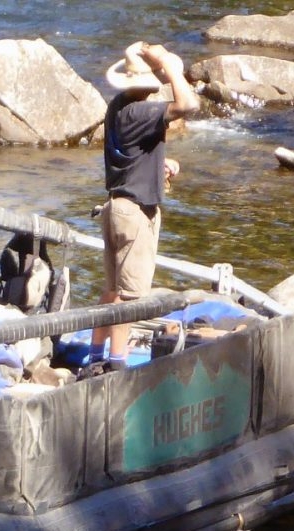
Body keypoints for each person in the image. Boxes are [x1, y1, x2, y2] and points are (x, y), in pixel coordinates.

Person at [81, 41, 200, 378]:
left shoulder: (118, 107)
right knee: (129, 300)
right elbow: (188, 104)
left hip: (115, 206)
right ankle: (117, 366)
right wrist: (168, 64)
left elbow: (132, 152)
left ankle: (94, 356)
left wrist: (161, 162)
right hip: (134, 213)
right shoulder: (142, 111)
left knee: (111, 290)